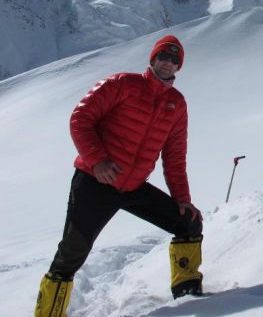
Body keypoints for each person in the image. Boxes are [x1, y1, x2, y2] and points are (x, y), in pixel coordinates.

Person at [34, 35, 204, 317]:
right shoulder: (122, 84)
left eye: (175, 59)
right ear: (152, 58)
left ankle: (190, 300)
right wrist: (98, 161)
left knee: (189, 222)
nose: (168, 62)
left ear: (179, 67)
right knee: (72, 253)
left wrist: (182, 199)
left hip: (134, 186)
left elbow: (174, 157)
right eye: (163, 56)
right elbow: (80, 118)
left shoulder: (177, 104)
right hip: (95, 181)